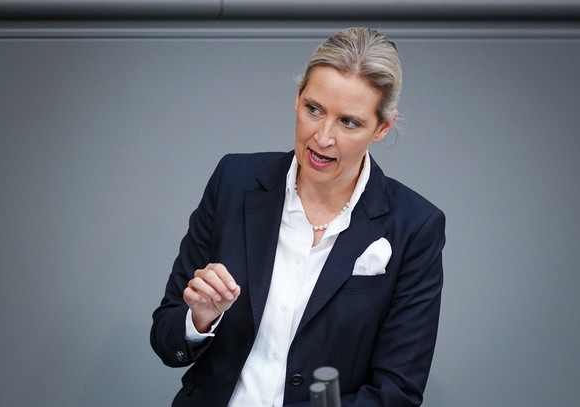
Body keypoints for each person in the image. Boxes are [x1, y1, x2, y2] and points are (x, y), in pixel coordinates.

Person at [151, 27, 445, 407]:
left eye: (349, 122)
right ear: (297, 99)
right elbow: (165, 334)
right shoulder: (233, 182)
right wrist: (199, 319)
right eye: (314, 109)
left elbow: (397, 393)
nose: (322, 137)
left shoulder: (415, 226)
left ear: (382, 128)